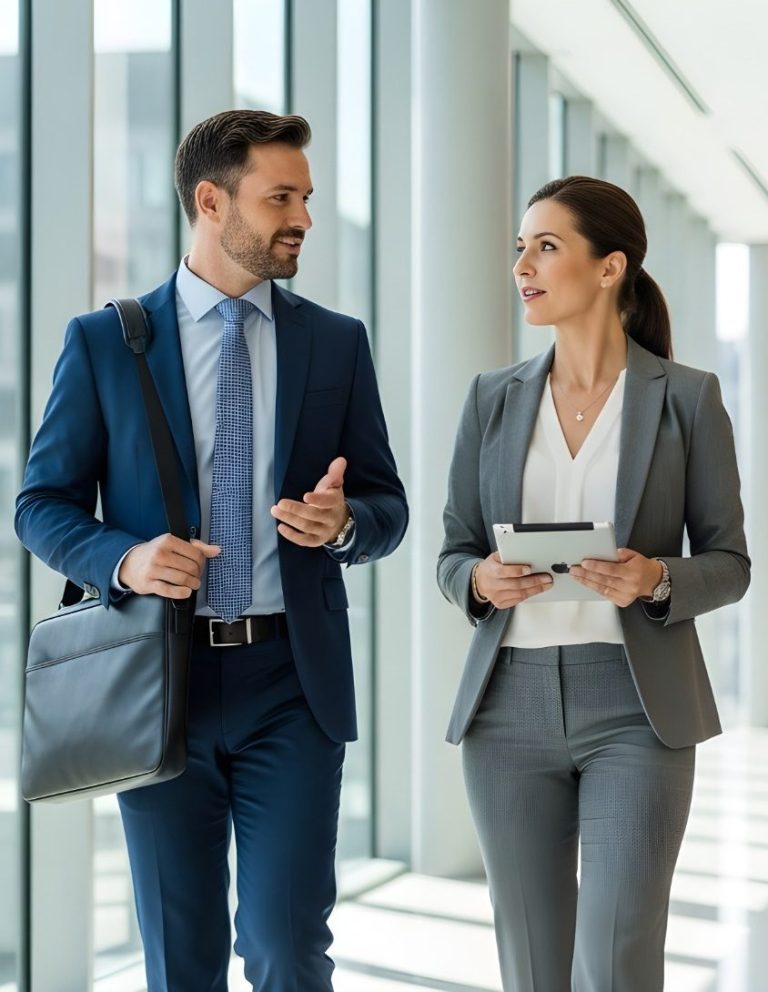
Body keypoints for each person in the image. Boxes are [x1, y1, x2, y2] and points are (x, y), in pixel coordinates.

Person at [16, 109, 407, 992]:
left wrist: (342, 525)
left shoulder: (335, 342)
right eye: (280, 196)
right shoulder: (104, 342)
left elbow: (389, 506)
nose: (301, 215)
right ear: (210, 200)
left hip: (291, 687)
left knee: (286, 948)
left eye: (305, 195)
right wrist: (125, 560)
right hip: (159, 687)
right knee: (181, 961)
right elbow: (40, 506)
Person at [437, 175, 749, 992]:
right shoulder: (492, 399)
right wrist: (478, 580)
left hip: (637, 710)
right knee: (535, 968)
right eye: (519, 248)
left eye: (547, 246)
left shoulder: (686, 398)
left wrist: (655, 577)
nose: (523, 266)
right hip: (506, 709)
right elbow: (452, 553)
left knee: (615, 961)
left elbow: (731, 562)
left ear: (610, 268)